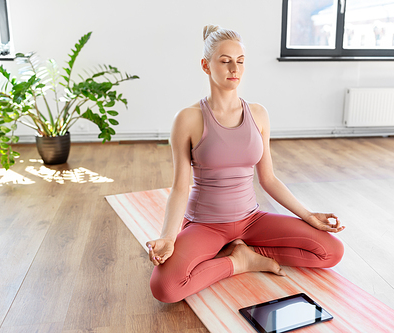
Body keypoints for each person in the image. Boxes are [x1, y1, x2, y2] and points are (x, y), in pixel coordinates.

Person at [146, 25, 345, 303]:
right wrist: (168, 237)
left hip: (252, 220)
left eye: (240, 61)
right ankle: (238, 261)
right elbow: (180, 187)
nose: (234, 69)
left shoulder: (258, 114)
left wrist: (309, 215)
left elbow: (269, 179)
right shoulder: (188, 118)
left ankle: (246, 251)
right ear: (206, 65)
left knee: (331, 251)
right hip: (206, 224)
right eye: (225, 61)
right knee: (165, 287)